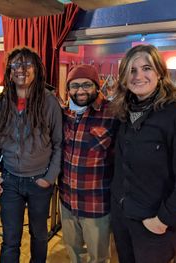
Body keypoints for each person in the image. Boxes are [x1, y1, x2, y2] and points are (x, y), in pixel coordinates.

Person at [110, 44, 176, 263]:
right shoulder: (124, 111)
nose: (138, 76)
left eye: (146, 68)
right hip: (123, 216)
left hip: (154, 223)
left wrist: (164, 219)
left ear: (160, 73)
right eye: (132, 70)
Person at [0, 47, 62, 263]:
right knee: (10, 239)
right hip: (10, 181)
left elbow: (59, 144)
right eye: (16, 65)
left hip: (39, 182)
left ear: (37, 70)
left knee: (39, 236)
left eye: (28, 64)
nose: (22, 69)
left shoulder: (49, 102)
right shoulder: (1, 103)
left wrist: (49, 178)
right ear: (10, 72)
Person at [58, 64, 119, 263]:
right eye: (74, 86)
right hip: (67, 200)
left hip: (96, 203)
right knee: (73, 251)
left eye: (86, 84)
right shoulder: (65, 114)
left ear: (97, 86)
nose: (80, 90)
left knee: (99, 257)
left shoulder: (113, 114)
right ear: (68, 89)